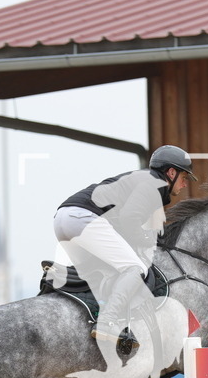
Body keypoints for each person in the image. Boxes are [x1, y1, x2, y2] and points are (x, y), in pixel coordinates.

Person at [53, 144, 195, 349]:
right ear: (171, 172)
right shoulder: (153, 183)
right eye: (184, 177)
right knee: (135, 267)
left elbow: (124, 222)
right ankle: (108, 322)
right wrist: (149, 239)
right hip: (84, 218)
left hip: (63, 219)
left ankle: (94, 314)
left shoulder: (144, 181)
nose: (184, 184)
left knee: (104, 271)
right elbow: (130, 219)